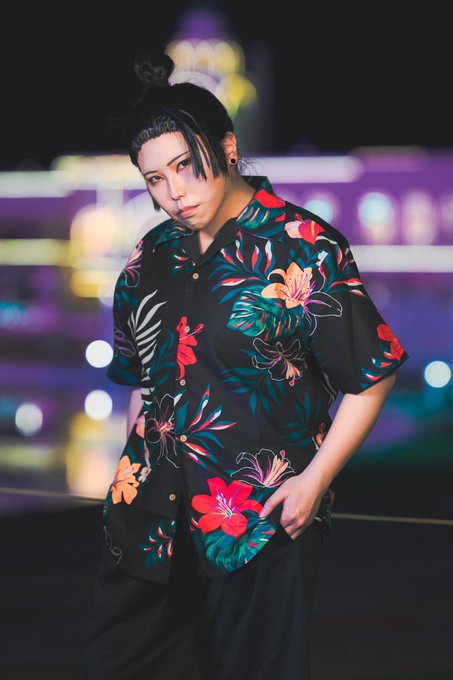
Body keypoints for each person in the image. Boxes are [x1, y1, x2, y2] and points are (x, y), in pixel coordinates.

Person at [80, 52, 409, 680]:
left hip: (261, 521)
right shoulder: (150, 256)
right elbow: (142, 383)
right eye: (155, 179)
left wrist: (314, 483)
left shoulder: (304, 247)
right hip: (146, 522)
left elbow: (373, 373)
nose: (174, 193)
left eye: (185, 166)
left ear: (227, 148)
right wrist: (128, 474)